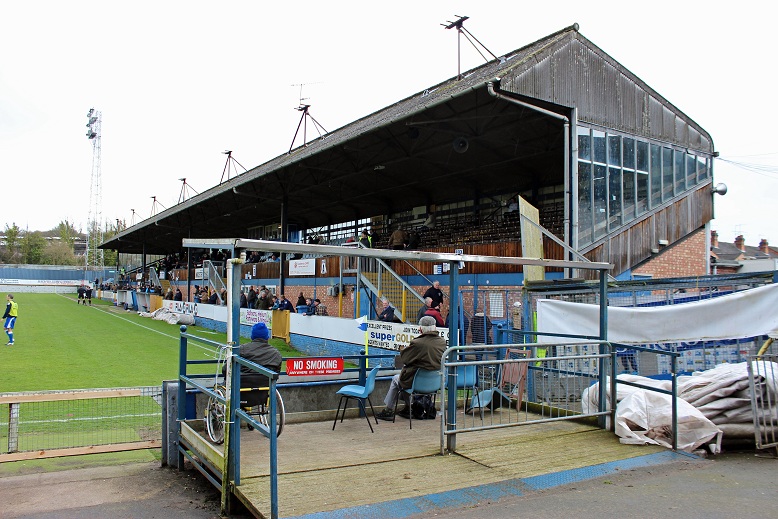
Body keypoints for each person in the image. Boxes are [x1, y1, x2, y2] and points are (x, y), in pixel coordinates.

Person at [375, 316, 447, 420]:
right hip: (435, 382)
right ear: (434, 328)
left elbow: (406, 358)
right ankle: (408, 408)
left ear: (420, 329)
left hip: (417, 383)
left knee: (396, 379)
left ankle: (389, 410)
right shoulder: (442, 342)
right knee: (404, 379)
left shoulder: (417, 343)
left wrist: (403, 350)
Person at [221, 322, 281, 402]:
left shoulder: (242, 349)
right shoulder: (275, 353)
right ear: (267, 337)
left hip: (240, 391)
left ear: (252, 336)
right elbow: (276, 373)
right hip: (263, 391)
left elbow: (226, 369)